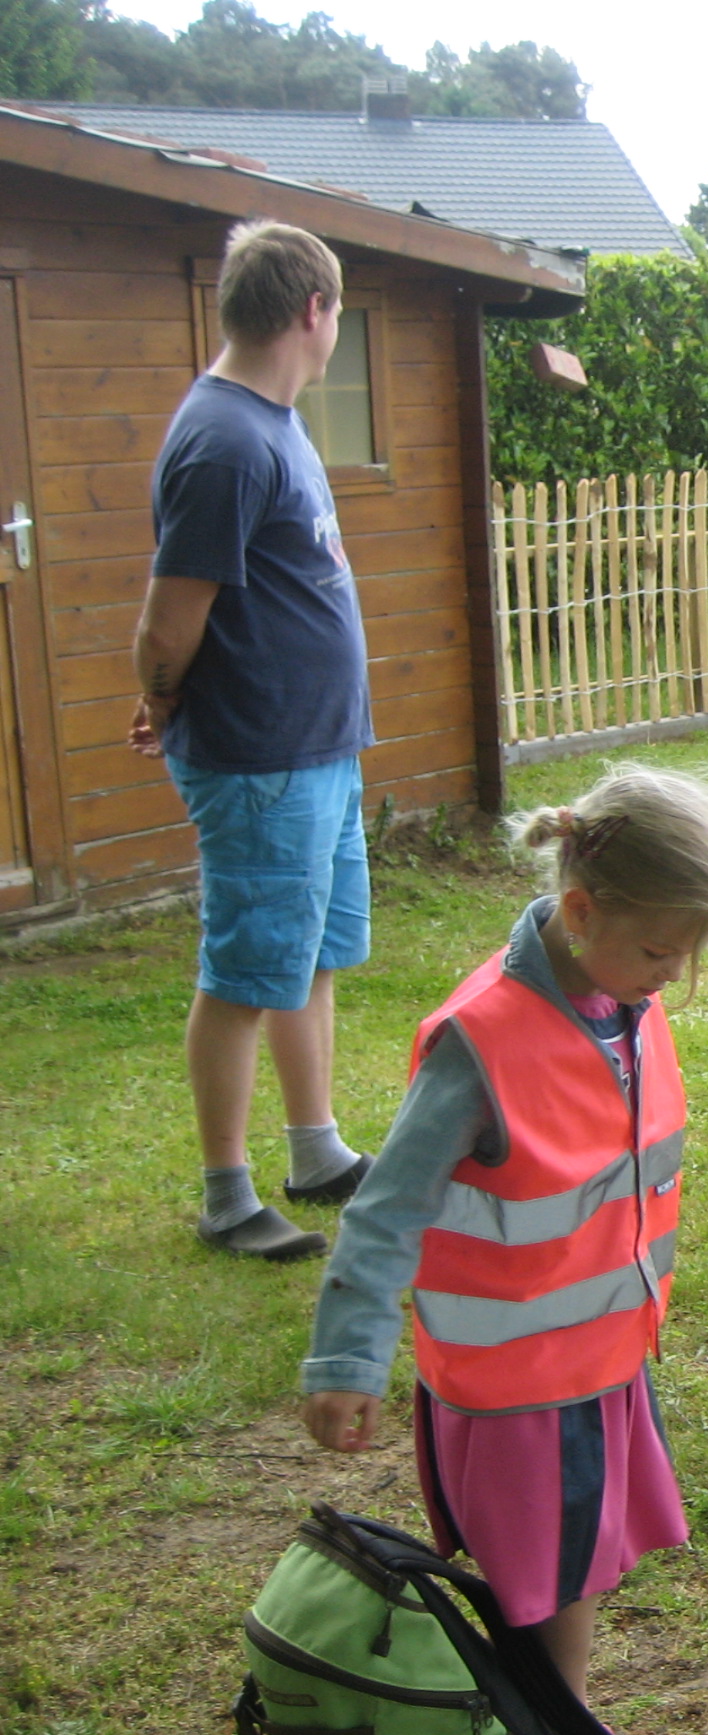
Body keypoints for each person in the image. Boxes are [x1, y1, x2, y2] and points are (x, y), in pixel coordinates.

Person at [297, 764, 708, 1701]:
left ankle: (551, 1731)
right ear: (580, 912)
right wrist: (345, 1361)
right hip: (520, 1388)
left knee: (569, 1565)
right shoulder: (480, 1042)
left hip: (595, 1360)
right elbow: (386, 1212)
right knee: (546, 1577)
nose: (676, 979)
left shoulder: (616, 1001)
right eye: (664, 954)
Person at [128, 219, 375, 1262]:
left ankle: (313, 1150)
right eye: (338, 313)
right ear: (313, 310)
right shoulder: (226, 439)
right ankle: (226, 1194)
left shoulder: (272, 422)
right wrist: (162, 691)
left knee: (307, 957)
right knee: (243, 973)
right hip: (261, 757)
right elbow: (169, 615)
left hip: (315, 749)